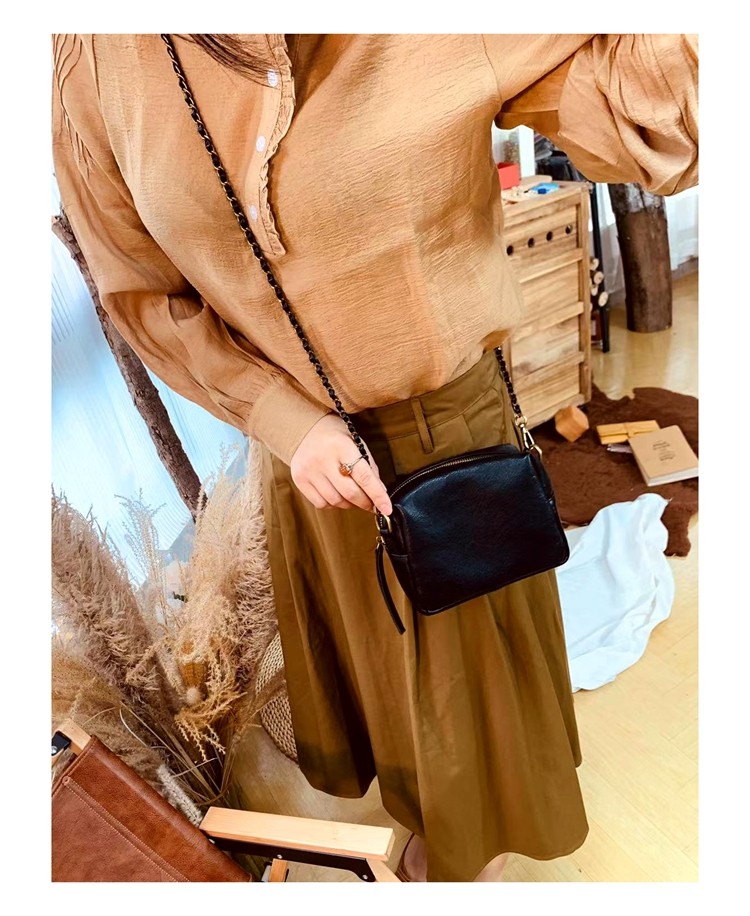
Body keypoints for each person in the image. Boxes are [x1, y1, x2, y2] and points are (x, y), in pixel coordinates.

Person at [51, 33, 698, 882]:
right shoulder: (93, 57)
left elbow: (662, 129)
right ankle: (430, 828)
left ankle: (466, 862)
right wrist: (286, 421)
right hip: (307, 465)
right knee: (384, 692)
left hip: (453, 442)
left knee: (470, 718)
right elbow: (141, 292)